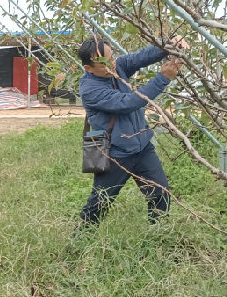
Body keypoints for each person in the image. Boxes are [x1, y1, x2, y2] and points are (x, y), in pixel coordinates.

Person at [76, 35, 187, 226]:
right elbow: (129, 103)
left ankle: (158, 236)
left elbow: (141, 56)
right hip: (115, 154)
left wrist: (169, 45)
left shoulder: (117, 67)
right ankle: (79, 241)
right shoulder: (90, 89)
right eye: (104, 63)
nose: (111, 64)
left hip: (142, 147)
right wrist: (163, 78)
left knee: (160, 193)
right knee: (100, 202)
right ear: (88, 68)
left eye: (112, 58)